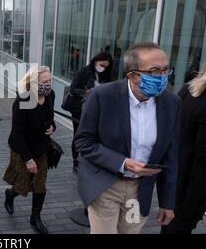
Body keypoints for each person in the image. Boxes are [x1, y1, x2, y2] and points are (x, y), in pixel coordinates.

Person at [74, 42, 180, 234]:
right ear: (132, 75)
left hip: (140, 192)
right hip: (106, 186)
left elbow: (171, 156)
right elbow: (83, 142)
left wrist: (167, 203)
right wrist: (123, 163)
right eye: (155, 71)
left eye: (166, 70)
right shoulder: (101, 96)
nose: (163, 77)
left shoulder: (172, 103)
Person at [3, 66, 56, 234]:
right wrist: (28, 159)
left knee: (40, 184)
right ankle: (10, 194)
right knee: (22, 185)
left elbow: (49, 118)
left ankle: (35, 218)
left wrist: (52, 127)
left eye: (50, 81)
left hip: (41, 147)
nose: (48, 85)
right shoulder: (23, 101)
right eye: (44, 82)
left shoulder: (49, 96)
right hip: (22, 149)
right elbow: (17, 134)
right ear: (33, 83)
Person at [163, 61, 206, 234]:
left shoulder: (189, 88)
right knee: (182, 225)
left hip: (177, 170)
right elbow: (205, 152)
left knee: (169, 219)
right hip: (195, 180)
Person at [69, 52, 113, 173]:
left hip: (97, 109)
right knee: (78, 134)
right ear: (95, 61)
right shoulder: (84, 72)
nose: (102, 68)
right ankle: (76, 161)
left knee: (94, 135)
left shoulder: (105, 75)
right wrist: (86, 92)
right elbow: (73, 88)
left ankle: (90, 159)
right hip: (79, 108)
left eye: (105, 66)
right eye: (101, 65)